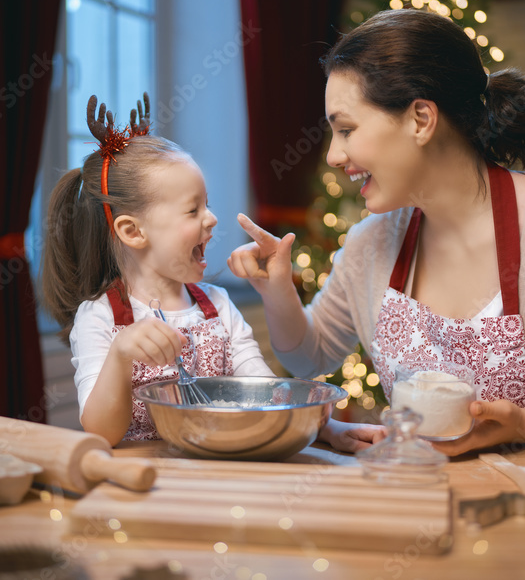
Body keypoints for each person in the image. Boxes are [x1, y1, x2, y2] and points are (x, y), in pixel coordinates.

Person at [229, 9, 525, 456]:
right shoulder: (371, 244)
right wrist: (277, 289)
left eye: (346, 129)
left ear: (421, 119)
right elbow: (310, 356)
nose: (334, 156)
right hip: (416, 511)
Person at [42, 94, 382, 450]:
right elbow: (100, 433)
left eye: (208, 204)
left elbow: (266, 393)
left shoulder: (217, 306)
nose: (212, 218)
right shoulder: (99, 317)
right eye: (192, 210)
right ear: (133, 232)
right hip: (142, 488)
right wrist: (120, 355)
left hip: (219, 482)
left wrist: (327, 430)